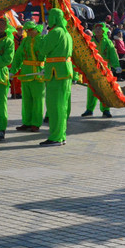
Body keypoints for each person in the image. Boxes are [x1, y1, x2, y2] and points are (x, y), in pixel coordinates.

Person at [38, 8, 73, 146]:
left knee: (54, 106)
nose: (48, 19)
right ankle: (61, 135)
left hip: (55, 73)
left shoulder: (55, 33)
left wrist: (43, 36)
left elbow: (42, 50)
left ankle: (55, 137)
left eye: (50, 16)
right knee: (62, 106)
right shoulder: (66, 33)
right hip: (64, 72)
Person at [11, 20, 45, 132]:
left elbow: (48, 54)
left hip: (39, 74)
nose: (28, 31)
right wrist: (13, 71)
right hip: (25, 73)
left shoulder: (42, 39)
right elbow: (18, 56)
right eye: (27, 30)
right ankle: (26, 122)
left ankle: (36, 123)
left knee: (38, 100)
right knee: (26, 100)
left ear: (36, 29)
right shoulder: (25, 41)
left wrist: (46, 68)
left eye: (30, 29)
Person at [82, 22, 120, 118]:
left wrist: (116, 66)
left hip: (105, 69)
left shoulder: (108, 42)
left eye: (100, 28)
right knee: (91, 90)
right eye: (96, 28)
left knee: (105, 90)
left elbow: (113, 55)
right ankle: (89, 109)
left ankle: (106, 110)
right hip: (93, 68)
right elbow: (85, 55)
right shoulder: (90, 41)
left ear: (104, 31)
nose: (98, 30)